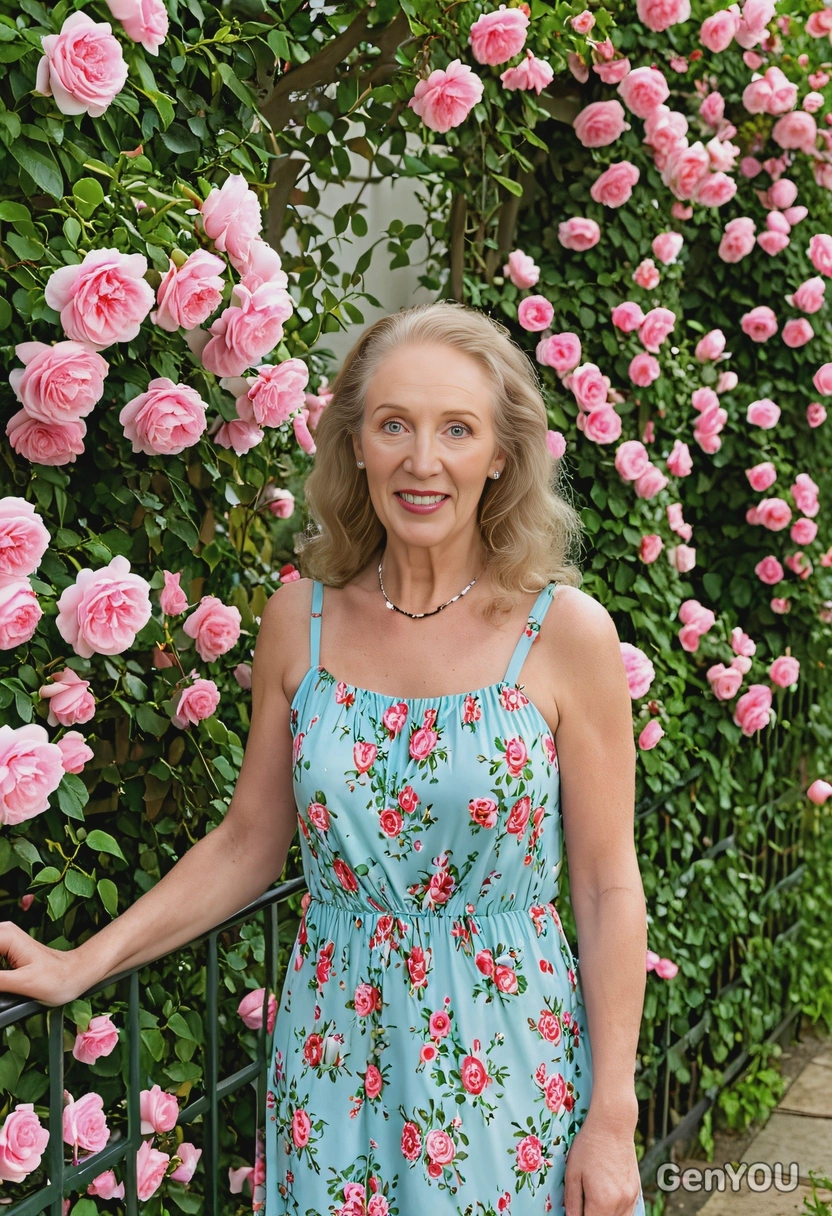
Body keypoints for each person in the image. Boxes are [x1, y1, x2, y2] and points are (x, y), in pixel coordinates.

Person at [0, 300, 648, 1216]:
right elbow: (247, 842)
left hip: (510, 1059)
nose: (423, 461)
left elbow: (607, 881)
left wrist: (611, 1116)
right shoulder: (297, 623)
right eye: (394, 426)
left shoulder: (562, 634)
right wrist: (81, 965)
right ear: (355, 445)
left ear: (501, 454)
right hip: (333, 1061)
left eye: (456, 429)